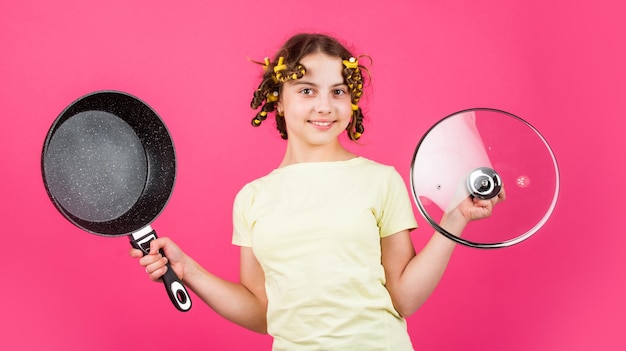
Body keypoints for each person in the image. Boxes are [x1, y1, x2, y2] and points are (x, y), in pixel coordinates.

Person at [130, 33, 505, 351]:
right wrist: (187, 271)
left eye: (338, 91)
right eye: (307, 90)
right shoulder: (253, 197)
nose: (324, 106)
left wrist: (455, 219)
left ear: (351, 100)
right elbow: (262, 312)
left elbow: (404, 298)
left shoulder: (381, 180)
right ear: (279, 98)